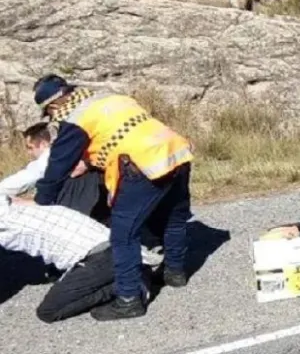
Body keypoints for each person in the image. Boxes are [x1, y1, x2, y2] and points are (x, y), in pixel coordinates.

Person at [31, 74, 194, 321]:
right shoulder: (112, 98)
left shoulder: (75, 119)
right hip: (175, 151)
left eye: (51, 114)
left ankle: (129, 300)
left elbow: (57, 168)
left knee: (123, 235)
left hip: (141, 164)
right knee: (173, 217)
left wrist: (42, 202)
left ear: (53, 106)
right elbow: (119, 134)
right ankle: (175, 272)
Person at [0, 194, 161, 323]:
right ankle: (130, 271)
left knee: (48, 312)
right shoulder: (18, 205)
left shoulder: (5, 221)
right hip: (116, 243)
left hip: (99, 256)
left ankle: (129, 283)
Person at [0, 122, 110, 223]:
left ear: (43, 144)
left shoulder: (54, 156)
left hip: (85, 205)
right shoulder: (74, 148)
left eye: (30, 148)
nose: (29, 153)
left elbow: (29, 175)